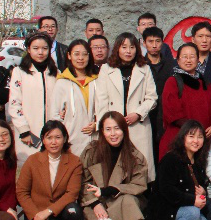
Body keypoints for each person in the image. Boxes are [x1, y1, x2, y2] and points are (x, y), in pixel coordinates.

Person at [80, 111, 150, 220]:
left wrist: (114, 189)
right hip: (98, 205)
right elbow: (83, 181)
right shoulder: (91, 151)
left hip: (121, 202)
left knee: (129, 200)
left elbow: (139, 184)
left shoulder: (134, 156)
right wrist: (95, 203)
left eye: (117, 128)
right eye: (108, 129)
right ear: (102, 131)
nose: (113, 134)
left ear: (124, 130)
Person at [15, 120, 89, 220]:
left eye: (58, 137)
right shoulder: (32, 161)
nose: (53, 142)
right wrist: (35, 214)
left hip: (59, 211)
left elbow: (72, 193)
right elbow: (22, 192)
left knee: (74, 210)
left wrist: (48, 211)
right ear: (43, 139)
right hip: (37, 213)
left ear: (65, 139)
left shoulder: (74, 162)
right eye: (49, 138)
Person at [95, 32, 158, 181]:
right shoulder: (106, 69)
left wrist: (138, 113)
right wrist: (105, 125)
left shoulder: (144, 69)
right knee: (114, 170)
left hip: (138, 125)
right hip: (114, 126)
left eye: (132, 47)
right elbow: (101, 100)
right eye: (124, 47)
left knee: (140, 169)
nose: (128, 51)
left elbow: (152, 97)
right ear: (117, 48)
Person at [9, 32, 58, 167]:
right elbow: (14, 103)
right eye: (36, 48)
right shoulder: (20, 72)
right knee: (30, 169)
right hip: (29, 134)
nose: (40, 52)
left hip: (52, 133)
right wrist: (24, 130)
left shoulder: (55, 73)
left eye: (44, 48)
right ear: (29, 50)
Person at [160, 43, 211, 158]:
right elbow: (172, 114)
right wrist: (195, 131)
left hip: (202, 143)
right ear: (178, 60)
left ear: (198, 59)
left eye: (192, 56)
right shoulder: (173, 82)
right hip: (179, 141)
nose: (188, 60)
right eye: (184, 57)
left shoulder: (204, 83)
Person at [50, 39, 97, 156]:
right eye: (76, 54)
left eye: (84, 54)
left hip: (95, 138)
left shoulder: (97, 80)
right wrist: (62, 140)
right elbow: (54, 114)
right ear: (69, 56)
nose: (80, 58)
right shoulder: (62, 82)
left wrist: (98, 124)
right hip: (72, 139)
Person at [143, 26, 175, 160]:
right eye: (150, 41)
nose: (154, 45)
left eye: (157, 41)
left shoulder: (172, 65)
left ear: (162, 42)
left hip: (166, 113)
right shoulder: (140, 65)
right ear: (144, 43)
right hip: (146, 114)